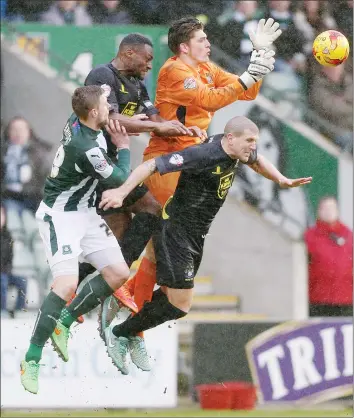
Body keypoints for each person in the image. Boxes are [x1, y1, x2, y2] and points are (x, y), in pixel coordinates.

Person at [111, 16, 281, 368]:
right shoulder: (174, 71)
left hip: (191, 162)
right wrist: (251, 72)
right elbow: (212, 99)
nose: (207, 44)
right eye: (202, 39)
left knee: (163, 256)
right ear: (184, 46)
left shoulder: (205, 67)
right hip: (168, 158)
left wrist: (260, 57)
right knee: (161, 244)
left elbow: (244, 91)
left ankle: (129, 322)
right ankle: (119, 305)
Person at [99, 115, 312, 374]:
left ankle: (126, 317)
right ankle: (123, 333)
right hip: (176, 231)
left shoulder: (234, 152)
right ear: (230, 138)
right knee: (180, 304)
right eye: (249, 141)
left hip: (195, 235)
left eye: (255, 142)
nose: (252, 147)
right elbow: (153, 165)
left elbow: (258, 160)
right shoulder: (204, 154)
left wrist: (280, 179)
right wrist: (122, 192)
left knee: (170, 297)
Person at [20, 85, 132, 394]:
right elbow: (120, 177)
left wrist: (105, 88)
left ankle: (64, 320)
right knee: (66, 284)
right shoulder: (87, 147)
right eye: (106, 103)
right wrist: (123, 146)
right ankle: (31, 358)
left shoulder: (78, 118)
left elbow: (96, 96)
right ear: (94, 112)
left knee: (119, 273)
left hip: (86, 214)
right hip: (60, 217)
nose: (110, 105)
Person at [78, 33, 203, 310]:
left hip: (115, 163)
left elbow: (155, 119)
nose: (150, 65)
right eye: (147, 59)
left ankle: (80, 285)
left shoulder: (137, 83)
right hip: (94, 163)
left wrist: (185, 132)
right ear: (129, 54)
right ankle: (113, 284)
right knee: (149, 209)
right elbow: (107, 118)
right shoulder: (102, 75)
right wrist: (157, 128)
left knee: (124, 231)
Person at [304, 196, 353, 317]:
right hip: (318, 299)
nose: (329, 212)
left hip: (344, 298)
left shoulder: (348, 235)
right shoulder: (310, 236)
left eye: (332, 208)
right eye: (325, 208)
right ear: (319, 212)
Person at [1, 205, 27, 317]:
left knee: (23, 281)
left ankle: (17, 311)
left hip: (6, 271)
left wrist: (7, 270)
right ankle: (2, 312)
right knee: (2, 280)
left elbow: (10, 258)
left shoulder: (8, 235)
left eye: (1, 214)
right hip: (2, 274)